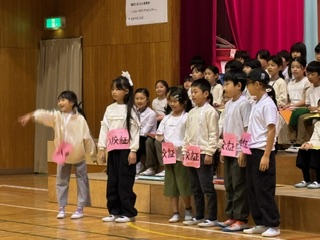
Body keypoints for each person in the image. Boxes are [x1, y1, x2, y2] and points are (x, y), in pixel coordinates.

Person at [18, 90, 96, 219]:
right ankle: (62, 208)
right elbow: (44, 114)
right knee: (61, 180)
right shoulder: (57, 117)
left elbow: (87, 137)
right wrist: (30, 115)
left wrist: (93, 154)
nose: (60, 102)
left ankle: (80, 208)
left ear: (72, 102)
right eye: (59, 100)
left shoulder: (80, 119)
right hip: (63, 153)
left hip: (77, 153)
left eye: (63, 100)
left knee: (82, 181)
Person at [98, 71, 140, 223]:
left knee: (125, 181)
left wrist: (133, 150)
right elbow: (105, 128)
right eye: (112, 89)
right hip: (113, 150)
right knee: (112, 181)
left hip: (126, 151)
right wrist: (102, 148)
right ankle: (114, 211)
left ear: (126, 91)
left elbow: (135, 131)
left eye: (117, 89)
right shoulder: (109, 109)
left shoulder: (132, 110)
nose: (114, 92)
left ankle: (128, 212)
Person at [243, 68, 281, 237]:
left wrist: (266, 155)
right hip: (252, 150)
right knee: (252, 188)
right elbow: (251, 129)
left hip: (262, 152)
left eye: (249, 83)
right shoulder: (255, 103)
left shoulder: (268, 104)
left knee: (264, 188)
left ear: (257, 84)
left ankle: (272, 224)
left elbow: (271, 130)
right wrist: (244, 150)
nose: (247, 87)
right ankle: (260, 222)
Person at [182, 78, 220, 228]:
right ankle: (199, 215)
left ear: (206, 93)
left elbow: (214, 134)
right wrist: (185, 150)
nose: (192, 95)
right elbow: (187, 134)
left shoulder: (211, 112)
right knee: (195, 187)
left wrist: (210, 152)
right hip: (192, 153)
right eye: (191, 92)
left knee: (207, 187)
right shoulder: (191, 112)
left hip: (204, 153)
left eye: (195, 92)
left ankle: (212, 217)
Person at [217, 69, 251, 232]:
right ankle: (231, 216)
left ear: (239, 85)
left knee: (239, 185)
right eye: (224, 84)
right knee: (229, 184)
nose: (225, 87)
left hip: (239, 151)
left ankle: (241, 218)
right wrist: (224, 148)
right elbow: (226, 128)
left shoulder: (244, 103)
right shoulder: (229, 104)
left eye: (228, 84)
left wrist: (244, 151)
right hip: (229, 149)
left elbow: (246, 128)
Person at [155, 87, 193, 223]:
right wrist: (161, 139)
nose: (173, 104)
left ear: (184, 102)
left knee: (183, 184)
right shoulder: (166, 118)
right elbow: (159, 134)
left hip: (181, 156)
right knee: (171, 185)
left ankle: (188, 209)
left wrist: (180, 145)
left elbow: (189, 136)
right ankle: (175, 212)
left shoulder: (187, 117)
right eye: (170, 101)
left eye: (175, 101)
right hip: (168, 155)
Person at [286, 61, 320, 153]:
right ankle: (292, 141)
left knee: (301, 117)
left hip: (318, 112)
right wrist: (310, 107)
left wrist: (317, 108)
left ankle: (299, 143)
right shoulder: (309, 89)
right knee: (290, 114)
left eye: (312, 74)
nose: (310, 77)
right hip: (312, 112)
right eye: (308, 74)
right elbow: (308, 104)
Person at [140, 80, 170, 177]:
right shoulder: (154, 101)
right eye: (157, 87)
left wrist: (160, 117)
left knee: (159, 141)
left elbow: (168, 115)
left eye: (161, 87)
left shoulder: (168, 100)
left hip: (168, 126)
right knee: (149, 141)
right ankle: (150, 167)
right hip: (158, 125)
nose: (159, 89)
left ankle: (165, 167)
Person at [134, 88, 157, 174]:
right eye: (137, 98)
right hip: (137, 136)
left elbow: (145, 131)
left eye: (142, 98)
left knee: (138, 139)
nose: (139, 101)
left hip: (147, 138)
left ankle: (139, 164)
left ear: (147, 100)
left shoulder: (151, 114)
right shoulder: (134, 111)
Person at [294, 120, 320, 189]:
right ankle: (307, 179)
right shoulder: (318, 123)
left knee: (316, 152)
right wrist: (308, 144)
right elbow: (315, 139)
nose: (318, 109)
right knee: (303, 150)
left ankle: (319, 181)